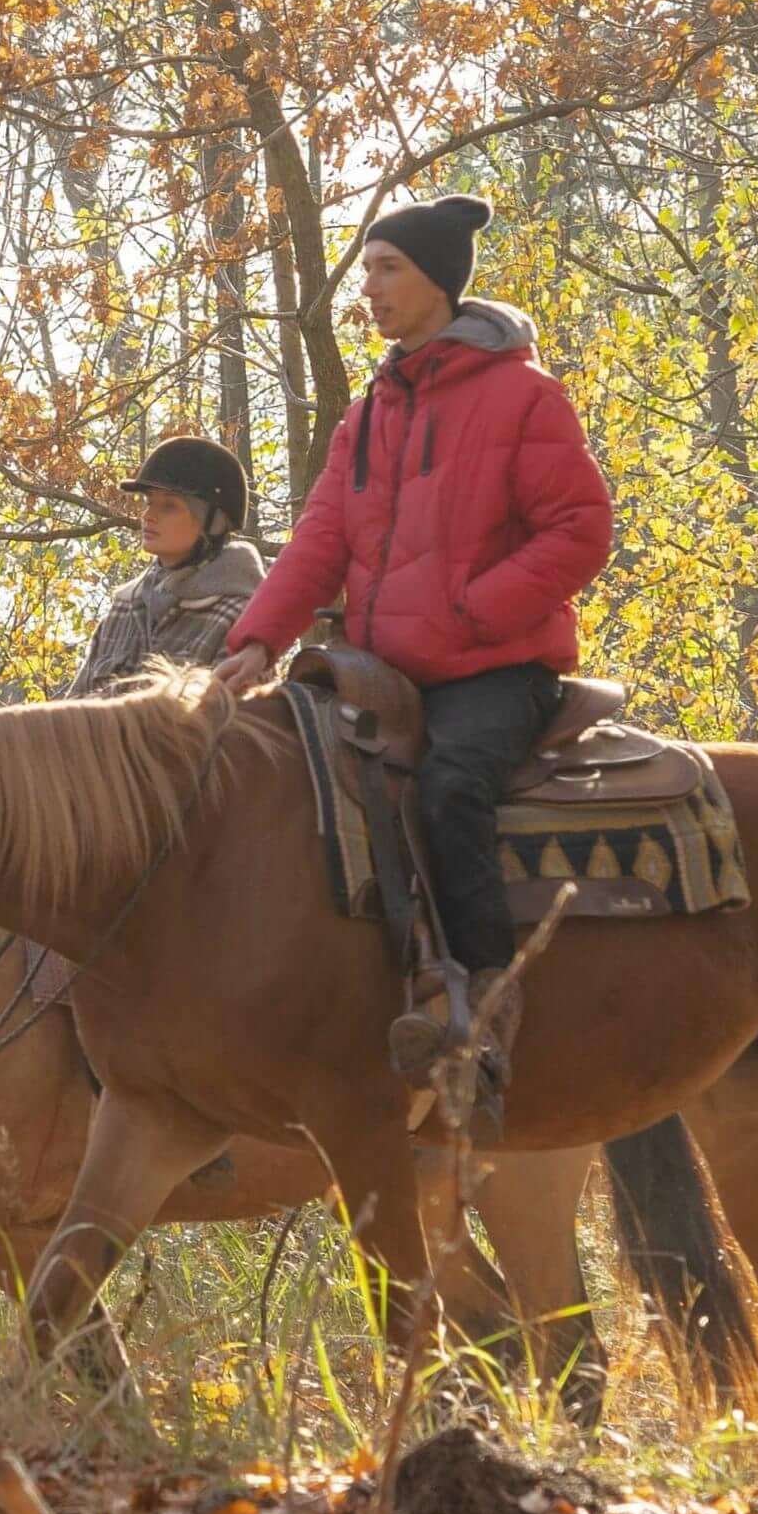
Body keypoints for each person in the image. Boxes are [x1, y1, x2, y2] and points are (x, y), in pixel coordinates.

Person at [220, 194, 612, 1100]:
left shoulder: (525, 396)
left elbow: (581, 530)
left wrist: (474, 610)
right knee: (283, 787)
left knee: (449, 790)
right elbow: (322, 537)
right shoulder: (371, 413)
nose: (370, 288)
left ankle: (481, 1004)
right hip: (381, 673)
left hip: (495, 669)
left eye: (387, 268)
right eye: (365, 270)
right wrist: (257, 642)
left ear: (438, 280)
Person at [67, 437, 269, 694]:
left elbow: (239, 727)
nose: (148, 515)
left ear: (214, 522)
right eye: (149, 502)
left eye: (169, 506)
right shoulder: (123, 609)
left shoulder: (240, 617)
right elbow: (71, 712)